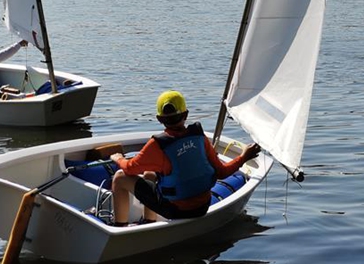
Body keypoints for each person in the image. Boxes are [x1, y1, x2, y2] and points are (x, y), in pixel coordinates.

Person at [109, 90, 261, 226]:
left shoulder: (157, 145)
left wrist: (118, 158)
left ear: (159, 119)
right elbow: (222, 172)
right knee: (150, 173)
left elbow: (129, 168)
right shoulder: (200, 138)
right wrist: (243, 157)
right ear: (186, 115)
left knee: (120, 177)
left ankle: (120, 226)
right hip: (202, 207)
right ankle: (149, 221)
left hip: (175, 210)